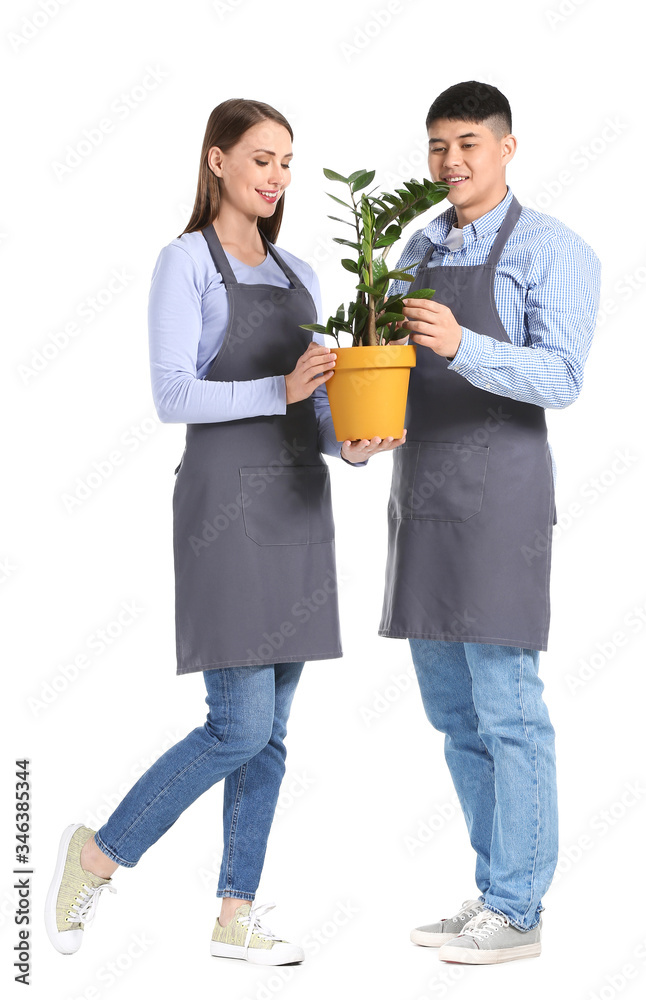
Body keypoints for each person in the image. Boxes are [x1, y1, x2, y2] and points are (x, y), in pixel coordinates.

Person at [44, 98, 401, 966]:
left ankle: (234, 913)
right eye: (261, 160)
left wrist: (349, 444)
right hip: (223, 511)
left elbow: (314, 408)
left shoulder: (304, 275)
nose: (277, 178)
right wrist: (276, 391)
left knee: (271, 733)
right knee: (236, 726)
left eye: (286, 163)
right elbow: (173, 395)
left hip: (297, 507)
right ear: (215, 162)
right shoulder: (184, 264)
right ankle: (96, 854)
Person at [379, 81, 601, 965]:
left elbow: (561, 378)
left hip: (501, 503)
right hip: (423, 497)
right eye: (437, 146)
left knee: (508, 711)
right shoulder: (412, 243)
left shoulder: (554, 248)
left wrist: (462, 344)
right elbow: (385, 358)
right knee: (453, 714)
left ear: (507, 147)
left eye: (468, 143)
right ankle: (491, 894)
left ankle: (520, 910)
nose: (450, 162)